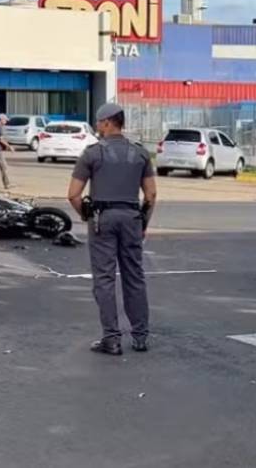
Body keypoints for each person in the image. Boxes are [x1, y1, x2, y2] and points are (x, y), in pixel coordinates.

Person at [67, 103, 157, 356]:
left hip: (102, 219)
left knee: (104, 280)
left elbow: (73, 194)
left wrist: (87, 217)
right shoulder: (140, 154)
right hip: (132, 218)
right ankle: (140, 336)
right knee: (134, 277)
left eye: (99, 122)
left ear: (107, 122)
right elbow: (150, 194)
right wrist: (143, 224)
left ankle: (112, 339)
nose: (97, 127)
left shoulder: (92, 154)